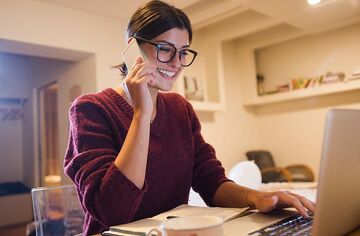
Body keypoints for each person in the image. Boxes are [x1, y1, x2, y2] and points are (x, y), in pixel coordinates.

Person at [64, 1, 315, 235]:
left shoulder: (179, 108)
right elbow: (112, 211)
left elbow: (211, 181)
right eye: (165, 49)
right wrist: (141, 112)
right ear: (133, 48)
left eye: (183, 52)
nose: (176, 63)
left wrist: (257, 198)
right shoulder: (89, 109)